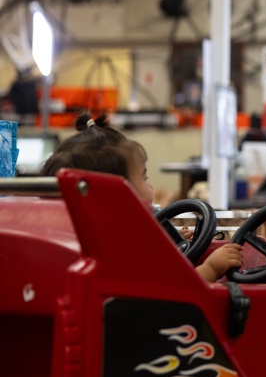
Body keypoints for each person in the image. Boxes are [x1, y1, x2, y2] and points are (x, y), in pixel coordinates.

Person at [41, 114, 243, 283]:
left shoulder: (82, 245)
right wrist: (212, 268)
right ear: (116, 194)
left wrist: (169, 244)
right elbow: (170, 289)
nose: (151, 186)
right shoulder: (125, 248)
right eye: (144, 177)